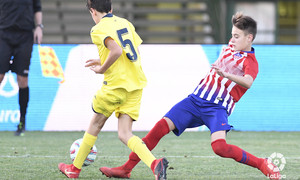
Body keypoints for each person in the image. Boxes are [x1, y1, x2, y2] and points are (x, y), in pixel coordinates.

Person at [99, 12, 281, 180]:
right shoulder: (229, 47)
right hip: (194, 101)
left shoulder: (250, 62)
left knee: (220, 148)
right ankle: (126, 169)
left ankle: (262, 163)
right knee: (159, 128)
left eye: (236, 36)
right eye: (232, 35)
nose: (232, 40)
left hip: (216, 108)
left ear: (249, 38)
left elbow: (248, 82)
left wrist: (226, 76)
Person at [58, 0, 168, 179]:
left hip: (116, 86)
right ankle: (155, 164)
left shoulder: (98, 28)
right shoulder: (126, 23)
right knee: (125, 134)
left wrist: (102, 69)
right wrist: (103, 60)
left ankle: (74, 169)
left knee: (95, 124)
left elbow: (116, 51)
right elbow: (133, 54)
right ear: (111, 9)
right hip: (135, 85)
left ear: (93, 11)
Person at [0, 0, 43, 136]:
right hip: (3, 34)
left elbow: (37, 8)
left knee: (23, 80)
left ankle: (22, 121)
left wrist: (39, 27)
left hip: (25, 36)